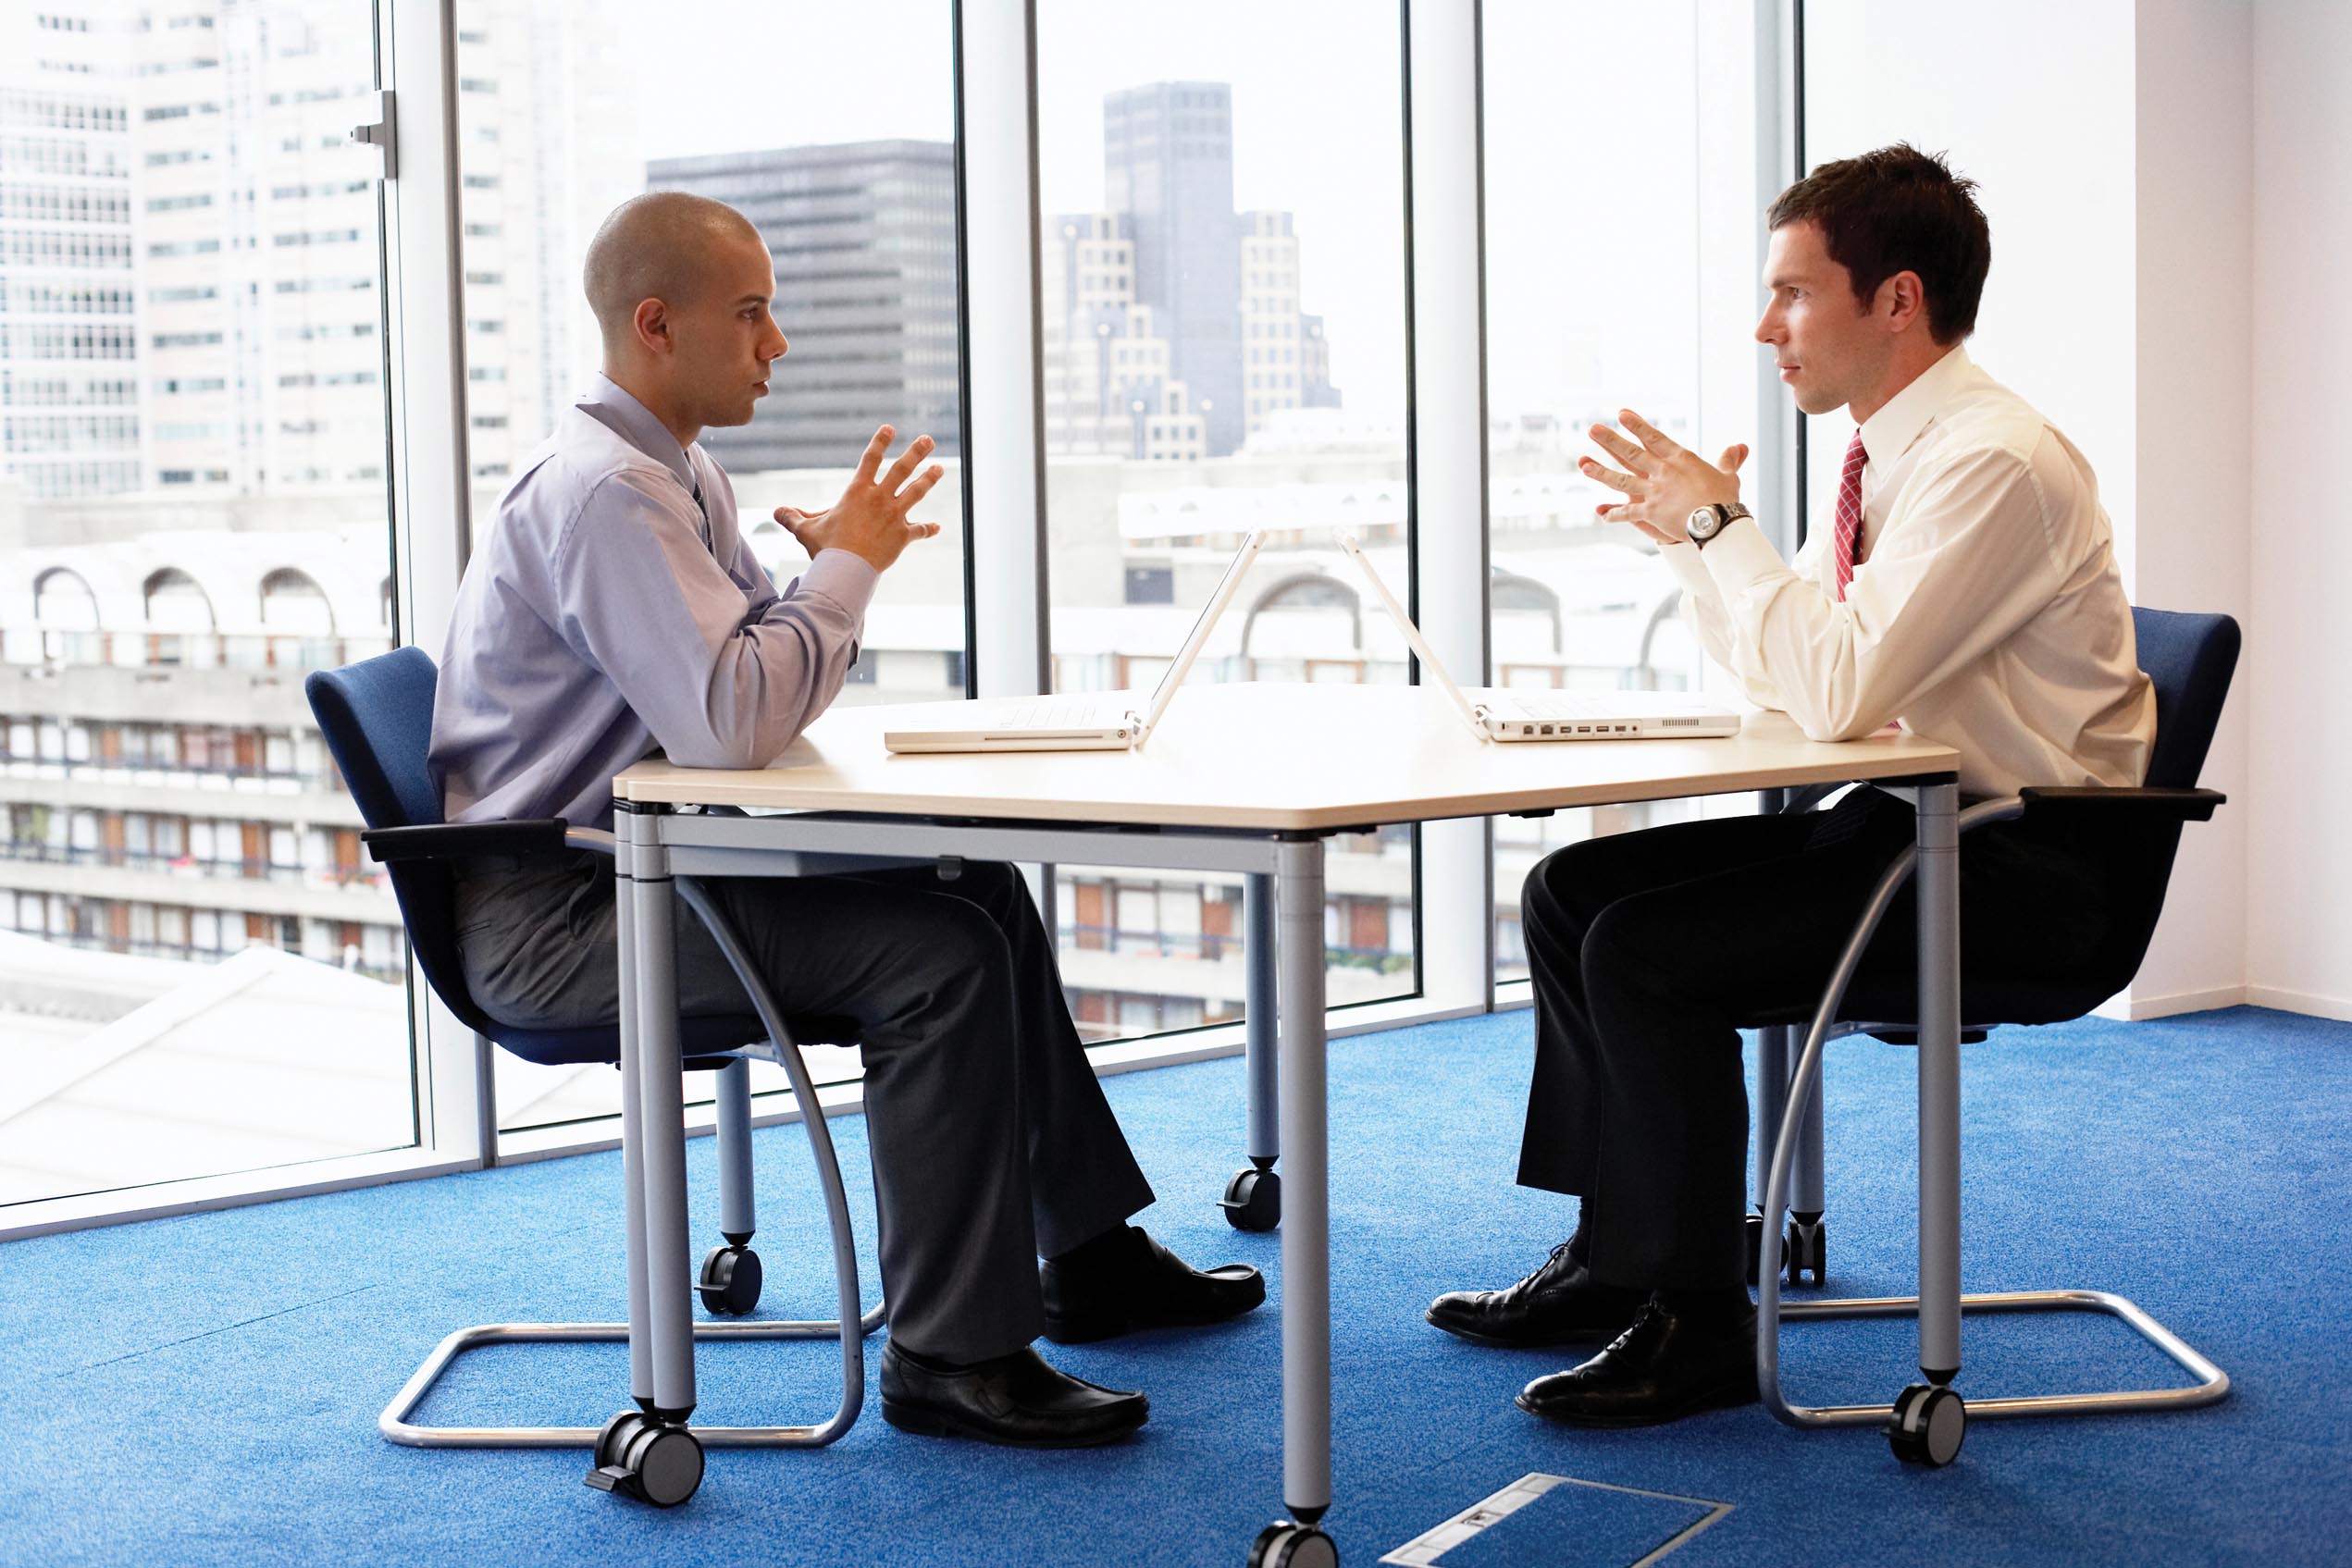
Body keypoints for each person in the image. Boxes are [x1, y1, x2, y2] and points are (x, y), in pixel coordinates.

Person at [429, 191, 1263, 1450]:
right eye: (752, 313)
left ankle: (1081, 1252)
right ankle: (950, 1353)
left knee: (969, 881)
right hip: (559, 921)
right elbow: (735, 719)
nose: (777, 344)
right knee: (939, 960)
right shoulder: (611, 494)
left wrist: (818, 579)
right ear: (656, 325)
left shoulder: (671, 469)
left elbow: (762, 672)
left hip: (643, 873)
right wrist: (847, 571)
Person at [1426, 145, 2155, 1426]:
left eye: (1793, 295)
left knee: (1648, 952)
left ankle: (1696, 1320)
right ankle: (1620, 1254)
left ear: (1896, 300)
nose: (1767, 328)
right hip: (1912, 827)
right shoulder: (1891, 456)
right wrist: (1690, 553)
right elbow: (1794, 673)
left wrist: (1722, 534)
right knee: (1567, 889)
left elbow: (1830, 693)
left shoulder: (1988, 463)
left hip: (2026, 866)